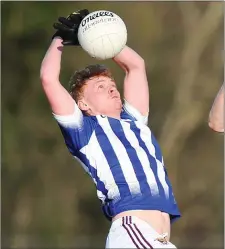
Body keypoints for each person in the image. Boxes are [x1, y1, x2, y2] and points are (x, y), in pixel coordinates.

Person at [40, 9, 181, 248]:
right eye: (100, 87)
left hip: (158, 239)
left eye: (111, 84)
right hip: (132, 230)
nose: (111, 89)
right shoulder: (84, 130)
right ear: (83, 104)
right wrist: (59, 39)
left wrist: (100, 36)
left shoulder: (133, 120)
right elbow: (48, 78)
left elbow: (136, 66)